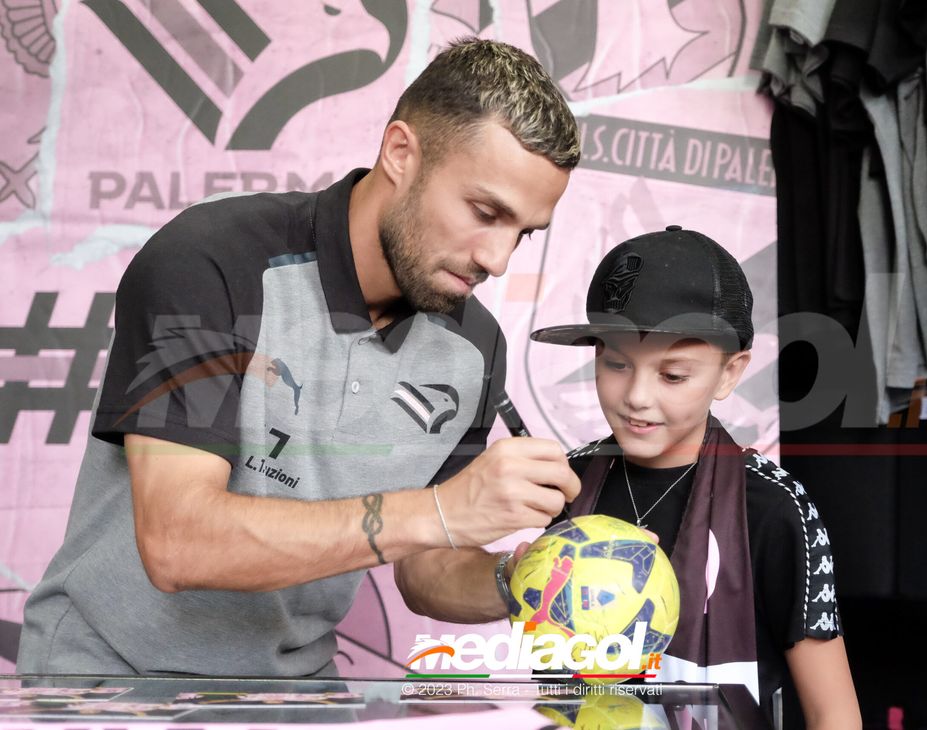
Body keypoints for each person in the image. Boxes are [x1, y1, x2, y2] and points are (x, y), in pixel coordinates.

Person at [17, 38, 582, 676]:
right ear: (401, 152)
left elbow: (427, 565)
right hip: (104, 680)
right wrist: (442, 510)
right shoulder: (209, 263)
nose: (498, 260)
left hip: (297, 691)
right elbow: (179, 543)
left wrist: (523, 581)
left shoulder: (475, 349)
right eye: (484, 212)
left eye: (523, 233)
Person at [527, 227, 862, 729]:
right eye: (616, 363)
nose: (637, 396)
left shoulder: (770, 506)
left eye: (673, 375)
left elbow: (833, 713)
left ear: (729, 373)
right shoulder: (568, 482)